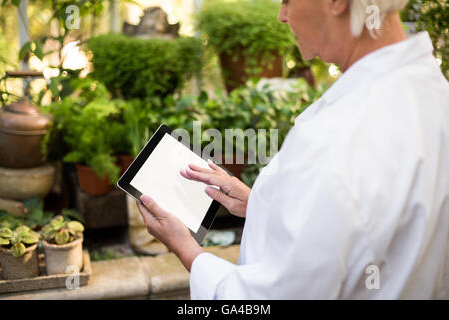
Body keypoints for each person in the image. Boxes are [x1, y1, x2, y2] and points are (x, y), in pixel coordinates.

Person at [136, 0, 449, 299]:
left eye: (287, 0)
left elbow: (275, 297)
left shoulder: (338, 134)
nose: (281, 16)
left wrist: (185, 247)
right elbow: (361, 229)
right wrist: (258, 205)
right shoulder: (434, 95)